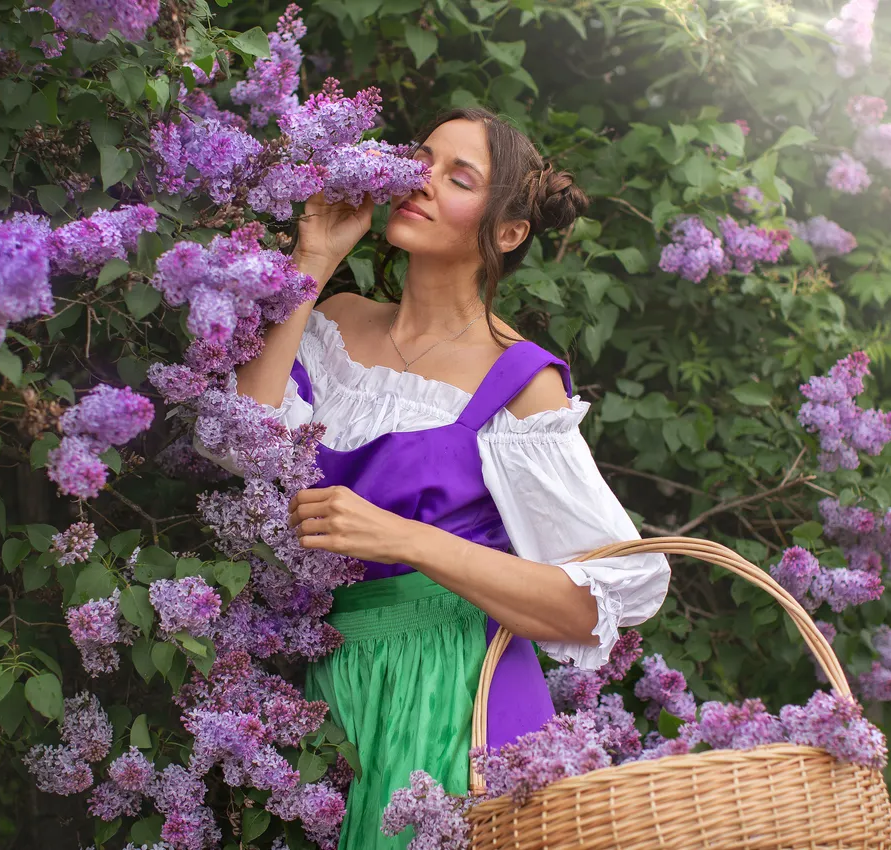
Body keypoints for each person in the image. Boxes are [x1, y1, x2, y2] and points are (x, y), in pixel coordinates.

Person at [230, 106, 671, 848]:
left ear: (506, 232)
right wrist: (315, 255)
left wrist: (408, 539)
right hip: (332, 688)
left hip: (460, 698)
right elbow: (244, 439)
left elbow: (599, 599)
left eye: (458, 178)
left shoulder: (519, 380)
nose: (422, 182)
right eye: (419, 161)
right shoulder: (334, 320)